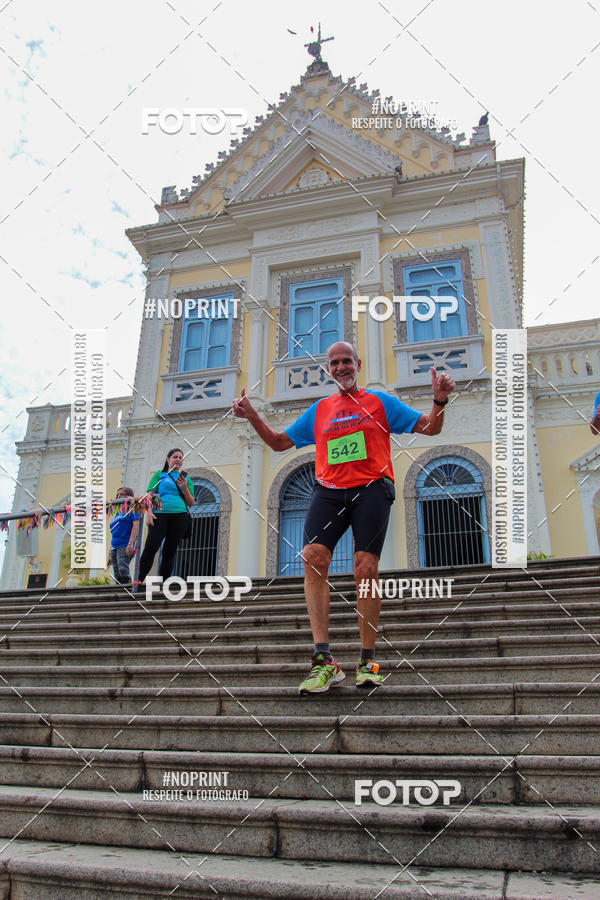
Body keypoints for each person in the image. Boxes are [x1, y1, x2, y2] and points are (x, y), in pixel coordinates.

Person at [232, 341, 455, 695]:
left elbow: (430, 427)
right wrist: (253, 416)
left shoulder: (380, 402)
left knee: (365, 567)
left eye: (346, 360)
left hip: (371, 489)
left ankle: (368, 661)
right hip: (329, 491)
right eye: (334, 362)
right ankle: (324, 661)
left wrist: (439, 401)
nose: (341, 367)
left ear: (358, 363)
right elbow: (277, 443)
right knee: (313, 557)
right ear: (328, 368)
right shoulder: (320, 409)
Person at [136, 448, 194, 587]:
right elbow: (150, 495)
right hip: (159, 514)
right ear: (168, 459)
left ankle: (164, 583)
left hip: (180, 515)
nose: (178, 459)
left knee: (170, 550)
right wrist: (149, 512)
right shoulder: (159, 475)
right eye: (175, 457)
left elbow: (190, 502)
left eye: (181, 457)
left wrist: (184, 487)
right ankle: (139, 580)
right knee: (151, 546)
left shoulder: (186, 479)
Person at [107, 486, 140, 584]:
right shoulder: (118, 513)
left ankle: (127, 591)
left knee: (123, 570)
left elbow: (135, 526)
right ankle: (119, 592)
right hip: (115, 546)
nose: (118, 496)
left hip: (125, 544)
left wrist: (130, 543)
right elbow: (115, 533)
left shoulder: (133, 509)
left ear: (129, 496)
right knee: (117, 573)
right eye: (118, 494)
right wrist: (109, 553)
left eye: (122, 494)